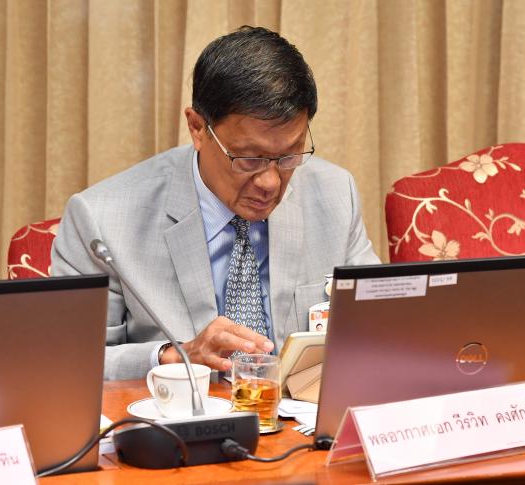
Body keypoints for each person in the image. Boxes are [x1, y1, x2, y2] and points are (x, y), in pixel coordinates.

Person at [51, 26, 380, 380]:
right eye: (249, 159)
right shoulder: (103, 220)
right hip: (179, 413)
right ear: (197, 128)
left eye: (289, 155)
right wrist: (173, 356)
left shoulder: (334, 194)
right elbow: (70, 361)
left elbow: (378, 324)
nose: (270, 182)